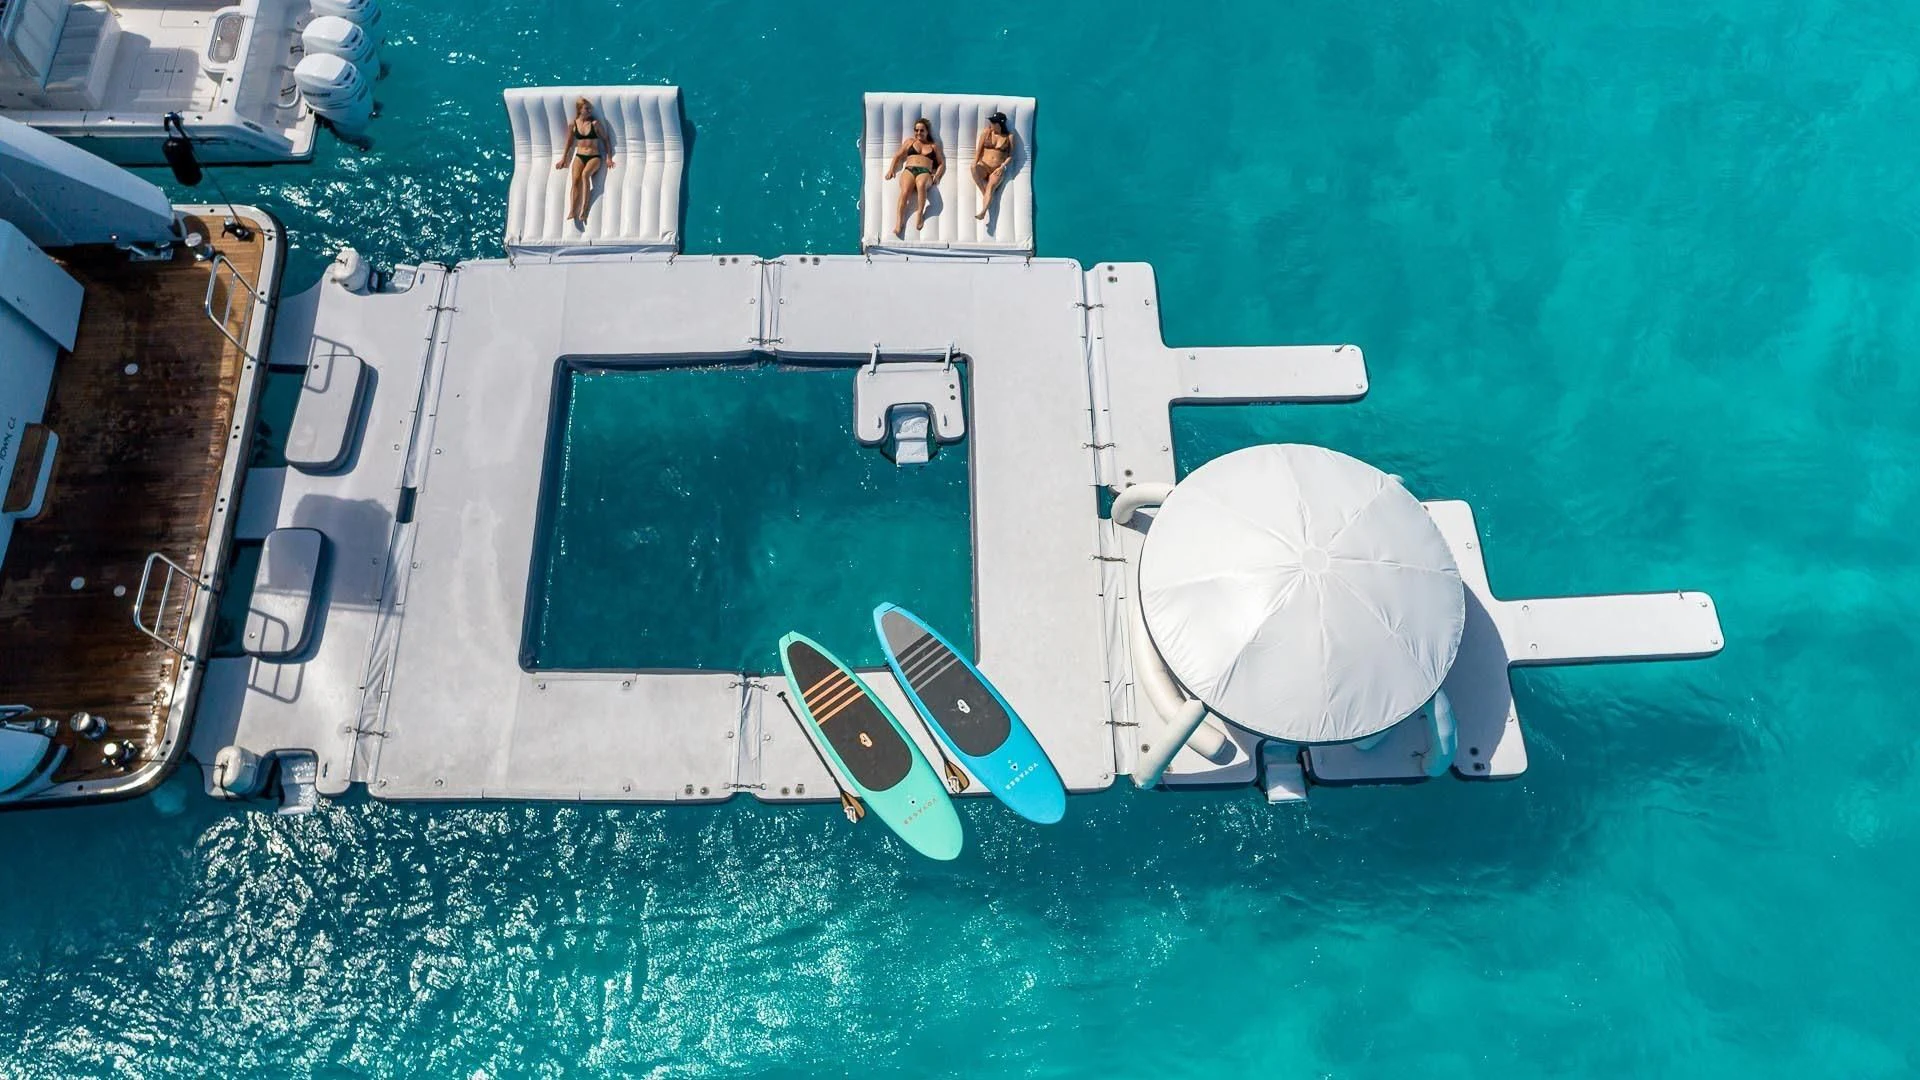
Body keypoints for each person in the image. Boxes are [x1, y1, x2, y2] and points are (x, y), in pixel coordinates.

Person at [554, 97, 614, 227]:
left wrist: (609, 157)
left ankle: (584, 209)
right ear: (580, 110)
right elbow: (569, 142)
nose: (590, 110)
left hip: (594, 157)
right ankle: (572, 210)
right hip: (579, 155)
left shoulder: (595, 124)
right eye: (587, 108)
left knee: (585, 175)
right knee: (575, 180)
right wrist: (563, 158)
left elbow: (606, 139)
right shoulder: (573, 124)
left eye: (590, 108)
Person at [883, 117, 943, 238]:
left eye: (922, 130)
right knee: (905, 191)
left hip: (925, 171)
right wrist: (891, 169)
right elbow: (897, 156)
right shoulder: (910, 142)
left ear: (927, 132)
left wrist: (937, 176)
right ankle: (899, 222)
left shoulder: (933, 146)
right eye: (916, 130)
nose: (918, 133)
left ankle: (920, 214)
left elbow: (941, 163)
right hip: (909, 169)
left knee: (921, 185)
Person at [971, 112, 1014, 221]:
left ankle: (983, 212)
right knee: (973, 168)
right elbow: (979, 150)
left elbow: (1010, 156)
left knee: (990, 186)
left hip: (997, 169)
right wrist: (975, 162)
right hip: (984, 166)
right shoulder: (986, 132)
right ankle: (983, 191)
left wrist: (1002, 166)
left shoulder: (1009, 137)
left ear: (1000, 124)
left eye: (993, 122)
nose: (990, 124)